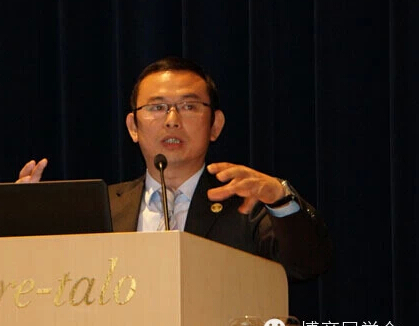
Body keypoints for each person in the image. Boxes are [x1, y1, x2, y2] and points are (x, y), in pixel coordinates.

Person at [17, 56, 332, 281]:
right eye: (157, 107)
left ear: (215, 125)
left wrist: (280, 198)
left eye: (189, 106)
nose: (172, 120)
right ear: (133, 127)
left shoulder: (248, 205)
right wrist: (21, 220)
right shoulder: (100, 209)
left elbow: (308, 264)